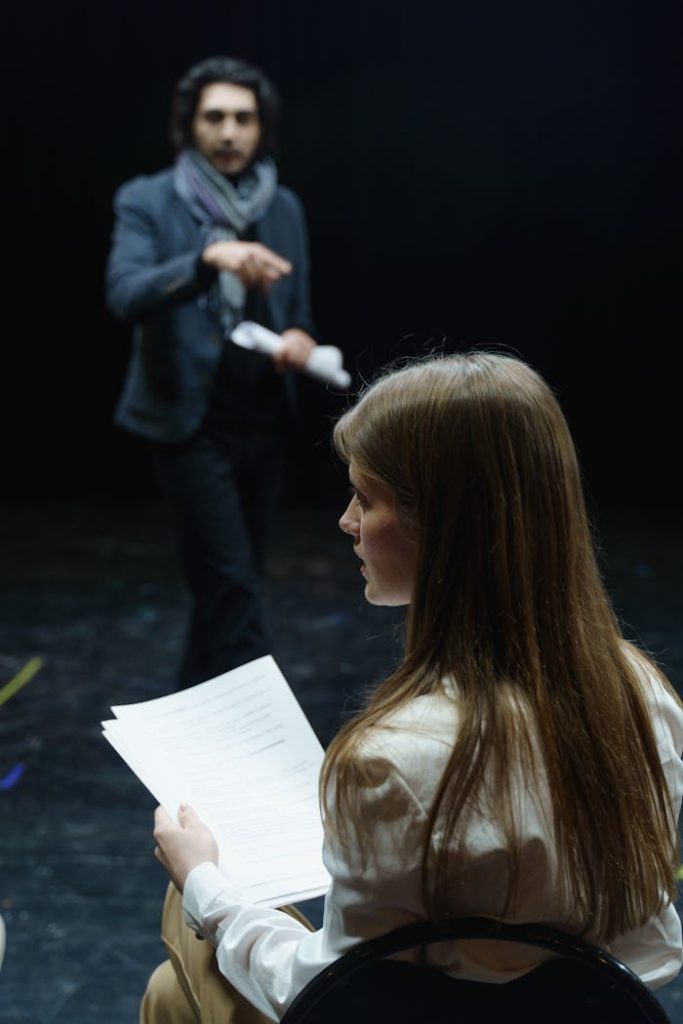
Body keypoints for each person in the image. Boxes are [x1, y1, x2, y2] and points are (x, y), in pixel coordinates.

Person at [143, 352, 683, 1023]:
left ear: (443, 529)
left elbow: (329, 992)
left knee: (188, 913)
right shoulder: (646, 699)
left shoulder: (392, 759)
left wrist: (203, 884)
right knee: (175, 990)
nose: (346, 521)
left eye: (365, 499)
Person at [105, 56, 319, 687]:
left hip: (263, 420)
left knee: (224, 589)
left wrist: (300, 340)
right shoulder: (147, 199)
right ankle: (266, 732)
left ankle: (193, 722)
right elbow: (125, 294)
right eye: (215, 117)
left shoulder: (282, 206)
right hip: (187, 424)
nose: (229, 131)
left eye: (243, 119)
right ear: (190, 126)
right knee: (233, 588)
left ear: (262, 128)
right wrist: (207, 259)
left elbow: (298, 308)